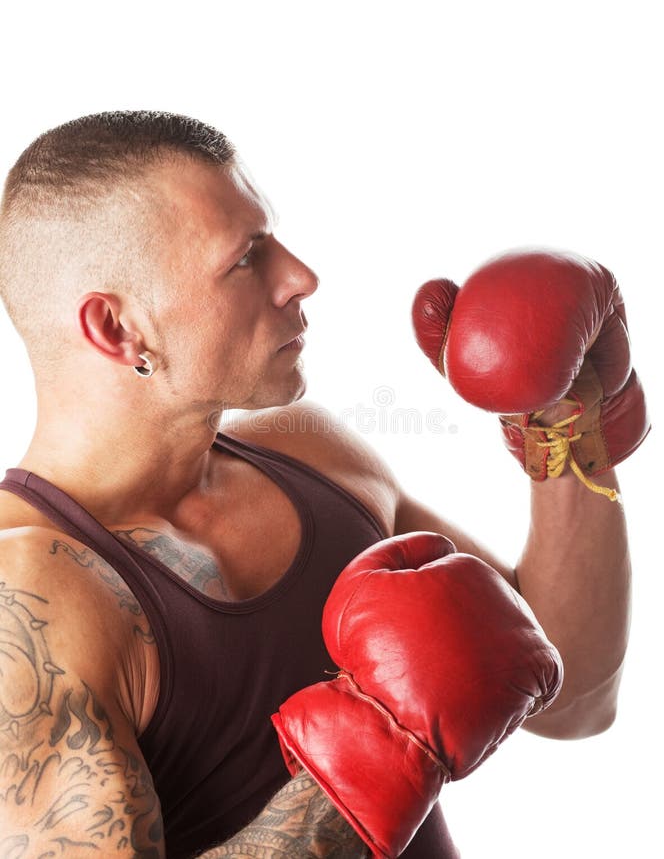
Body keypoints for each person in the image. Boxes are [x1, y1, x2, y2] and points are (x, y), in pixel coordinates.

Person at [0, 111, 641, 858]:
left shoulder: (314, 456)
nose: (301, 277)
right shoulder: (29, 603)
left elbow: (574, 695)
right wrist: (378, 747)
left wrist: (561, 424)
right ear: (119, 330)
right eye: (247, 258)